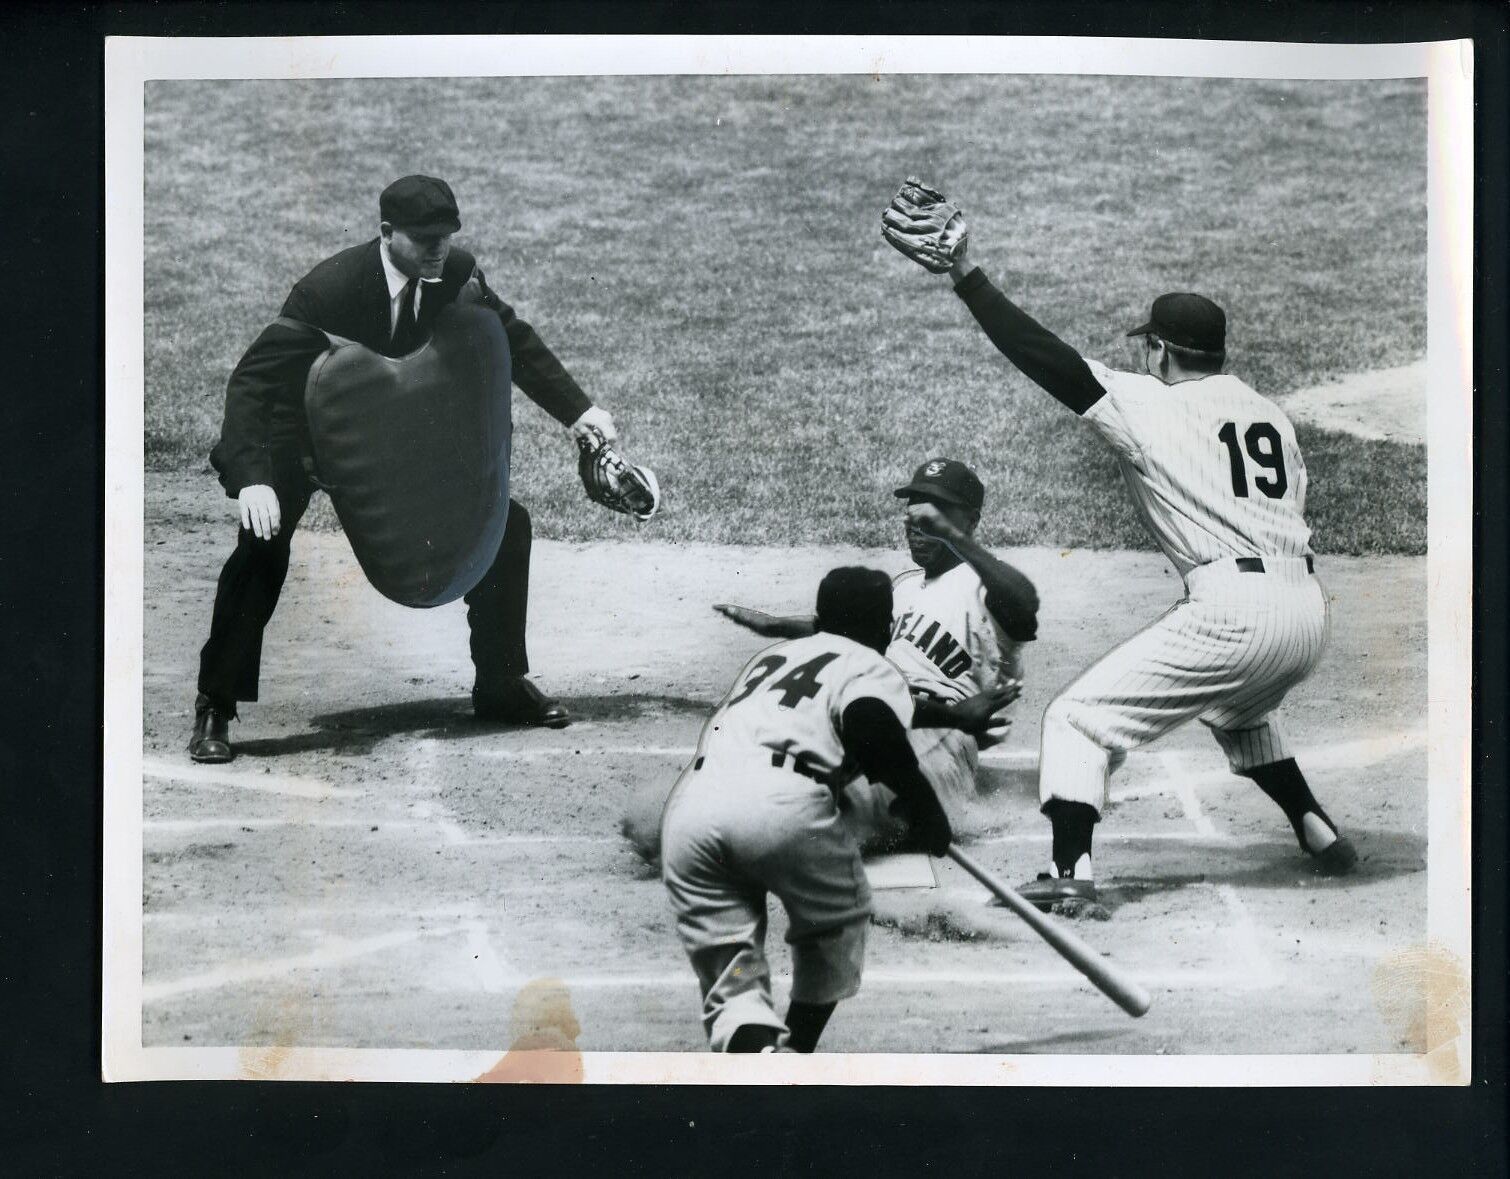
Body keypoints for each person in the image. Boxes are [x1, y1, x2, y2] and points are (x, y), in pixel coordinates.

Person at [883, 179, 1356, 910]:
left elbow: (1045, 356)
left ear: (1162, 350)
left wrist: (966, 274)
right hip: (1307, 614)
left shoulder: (1152, 403)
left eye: (1150, 348)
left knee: (1076, 718)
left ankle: (1071, 874)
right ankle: (1315, 825)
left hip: (1234, 610)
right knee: (1240, 710)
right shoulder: (1272, 417)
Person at [189, 175, 619, 761]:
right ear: (386, 233)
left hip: (391, 424)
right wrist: (252, 477)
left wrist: (579, 411)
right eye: (423, 238)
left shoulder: (455, 273)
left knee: (504, 525)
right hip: (304, 433)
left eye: (446, 236)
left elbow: (512, 339)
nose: (438, 248)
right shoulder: (328, 291)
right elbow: (253, 383)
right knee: (262, 543)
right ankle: (216, 703)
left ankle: (499, 682)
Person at [661, 566, 956, 1053]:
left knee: (733, 982)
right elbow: (870, 722)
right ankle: (796, 1055)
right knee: (837, 921)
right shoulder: (871, 663)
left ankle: (754, 1050)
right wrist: (925, 810)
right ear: (886, 629)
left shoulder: (774, 655)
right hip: (781, 804)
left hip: (691, 808)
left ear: (820, 618)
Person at [714, 458, 1038, 848]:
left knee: (834, 806)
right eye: (914, 508)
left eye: (935, 511)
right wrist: (775, 624)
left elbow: (1023, 604)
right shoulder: (904, 587)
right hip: (878, 715)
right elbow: (850, 630)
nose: (918, 521)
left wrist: (954, 537)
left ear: (970, 520)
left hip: (943, 733)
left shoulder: (987, 587)